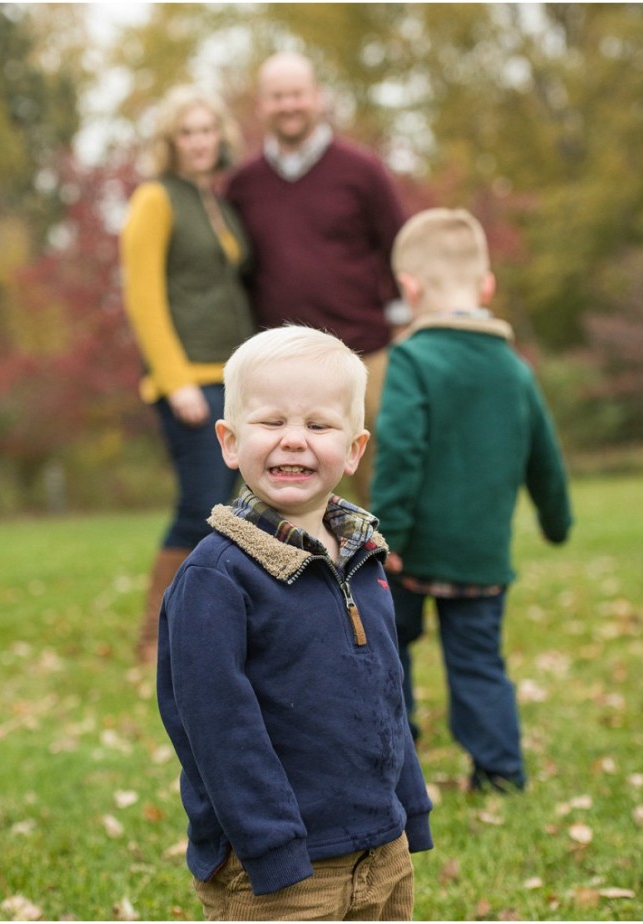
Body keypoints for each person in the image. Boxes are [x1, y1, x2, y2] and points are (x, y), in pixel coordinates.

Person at [157, 325, 433, 919]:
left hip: (381, 850)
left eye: (318, 425)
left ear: (355, 449)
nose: (293, 442)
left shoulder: (363, 557)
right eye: (271, 421)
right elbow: (215, 727)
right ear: (229, 442)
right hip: (281, 869)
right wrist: (272, 849)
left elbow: (387, 691)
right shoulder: (218, 577)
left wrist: (408, 809)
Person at [369, 208, 574, 795]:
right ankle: (500, 772)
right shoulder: (514, 370)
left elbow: (401, 452)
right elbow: (545, 455)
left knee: (392, 649)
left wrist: (391, 537)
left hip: (412, 551)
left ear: (409, 290)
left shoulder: (412, 359)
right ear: (487, 287)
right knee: (479, 661)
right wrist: (557, 522)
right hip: (482, 554)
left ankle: (393, 758)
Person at [225, 51, 409, 507]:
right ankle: (288, 577)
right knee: (284, 485)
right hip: (277, 361)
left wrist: (405, 324)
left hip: (367, 352)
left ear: (317, 98)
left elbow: (400, 248)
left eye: (297, 94)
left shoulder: (361, 171)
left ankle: (387, 576)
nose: (289, 105)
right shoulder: (242, 185)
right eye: (277, 96)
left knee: (379, 475)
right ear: (262, 105)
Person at [120, 85, 257, 664]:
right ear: (170, 142)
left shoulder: (218, 202)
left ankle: (215, 628)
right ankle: (155, 636)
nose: (200, 141)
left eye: (208, 130)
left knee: (231, 503)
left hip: (231, 377)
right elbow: (143, 295)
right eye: (187, 132)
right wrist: (174, 378)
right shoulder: (156, 199)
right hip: (189, 381)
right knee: (200, 501)